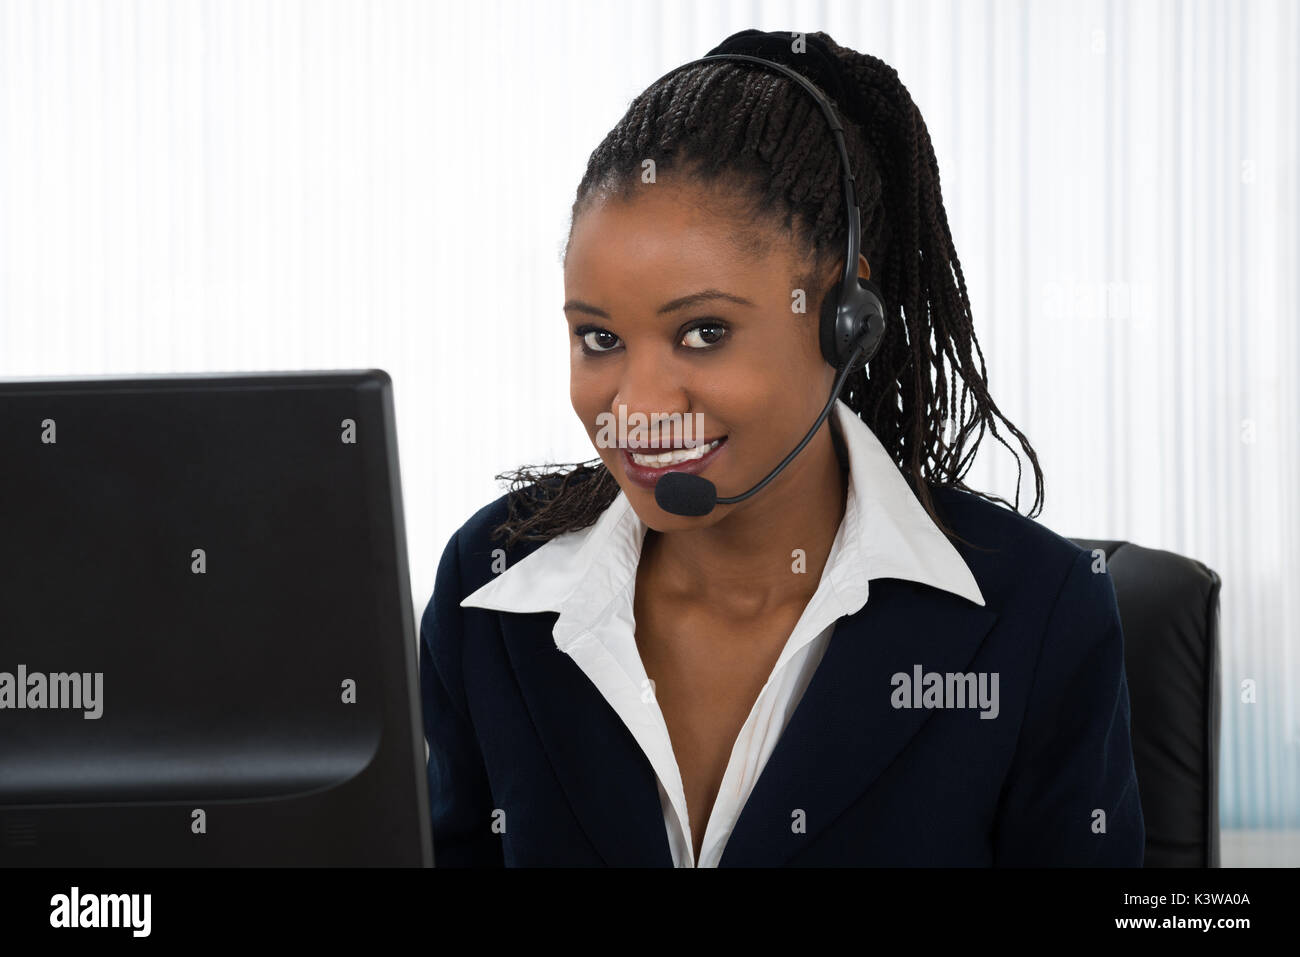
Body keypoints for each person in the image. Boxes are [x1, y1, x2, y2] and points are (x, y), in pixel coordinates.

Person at [419, 28, 1144, 867]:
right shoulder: (491, 583)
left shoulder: (1039, 616)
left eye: (704, 331)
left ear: (846, 319)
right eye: (599, 338)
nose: (637, 406)